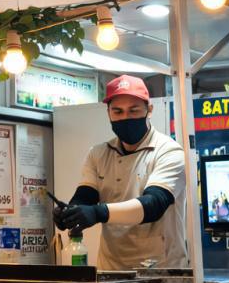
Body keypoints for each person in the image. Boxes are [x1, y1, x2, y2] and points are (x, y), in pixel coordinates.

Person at [54, 74, 189, 270]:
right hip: (111, 270)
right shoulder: (98, 154)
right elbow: (85, 196)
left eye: (133, 111)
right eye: (117, 111)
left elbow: (152, 206)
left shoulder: (169, 151)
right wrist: (71, 213)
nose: (125, 118)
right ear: (108, 113)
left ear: (149, 110)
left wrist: (97, 212)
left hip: (160, 270)